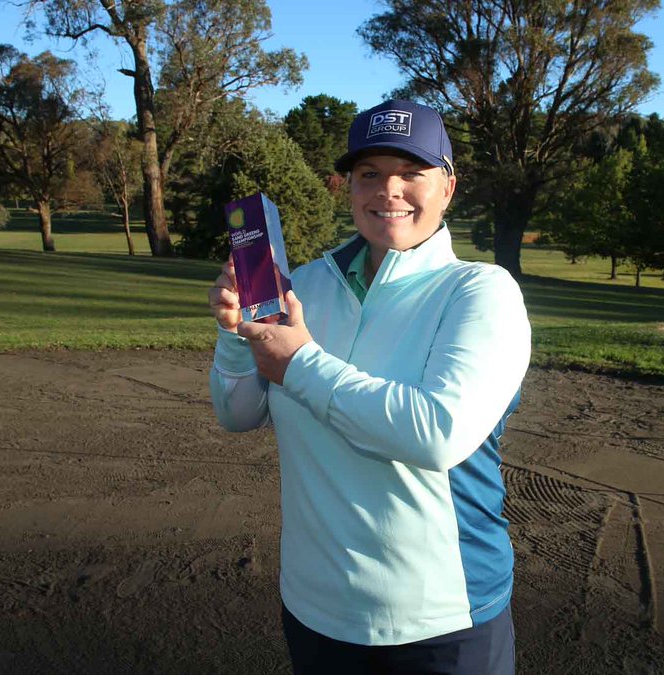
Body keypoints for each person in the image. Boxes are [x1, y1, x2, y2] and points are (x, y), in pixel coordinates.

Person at [207, 99, 531, 674]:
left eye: (412, 172)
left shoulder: (482, 292)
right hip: (316, 609)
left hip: (443, 619)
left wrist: (301, 363)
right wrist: (236, 334)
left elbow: (438, 432)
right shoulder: (303, 285)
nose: (390, 190)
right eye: (371, 174)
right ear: (348, 186)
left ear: (448, 187)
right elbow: (237, 412)